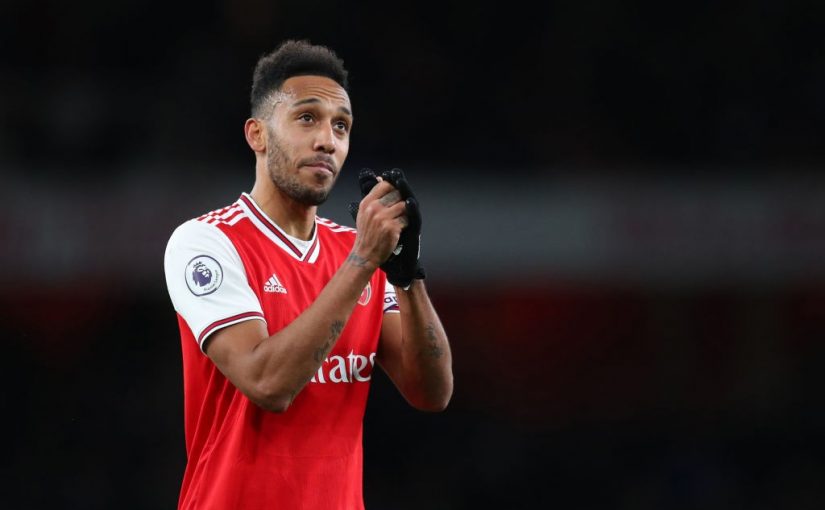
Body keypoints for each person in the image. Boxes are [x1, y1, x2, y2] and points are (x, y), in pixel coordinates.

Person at [163, 40, 453, 509]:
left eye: (341, 126)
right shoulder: (206, 243)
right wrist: (363, 262)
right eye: (307, 118)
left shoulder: (355, 250)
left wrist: (407, 277)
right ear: (257, 135)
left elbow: (432, 392)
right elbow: (268, 384)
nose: (327, 141)